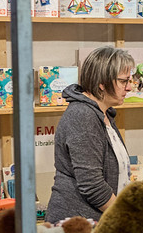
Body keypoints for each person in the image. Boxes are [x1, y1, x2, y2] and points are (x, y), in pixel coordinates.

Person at [45, 46, 136, 223]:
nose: (129, 87)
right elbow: (92, 185)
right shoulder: (83, 115)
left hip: (98, 221)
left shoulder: (104, 113)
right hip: (78, 226)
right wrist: (127, 218)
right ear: (102, 82)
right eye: (123, 81)